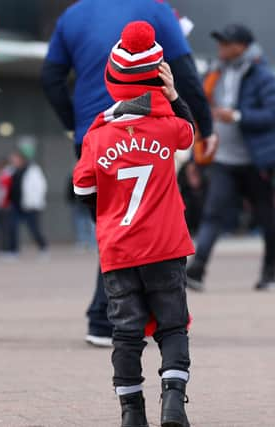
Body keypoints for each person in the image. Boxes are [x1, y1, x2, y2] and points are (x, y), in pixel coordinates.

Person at [42, 0, 216, 347]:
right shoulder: (155, 10)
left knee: (114, 223)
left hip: (94, 132)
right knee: (143, 220)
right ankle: (126, 316)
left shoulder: (73, 14)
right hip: (150, 129)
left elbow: (51, 79)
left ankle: (108, 316)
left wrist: (72, 123)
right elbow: (183, 70)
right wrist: (205, 125)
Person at [73, 22, 195, 427]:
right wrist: (174, 94)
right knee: (172, 326)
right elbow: (190, 132)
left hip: (119, 249)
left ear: (113, 78)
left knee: (125, 333)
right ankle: (174, 402)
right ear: (156, 79)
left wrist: (106, 217)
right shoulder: (167, 127)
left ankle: (131, 413)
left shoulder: (98, 136)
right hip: (165, 245)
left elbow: (82, 188)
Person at [186, 24, 275, 292]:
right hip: (224, 160)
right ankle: (196, 270)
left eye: (225, 42)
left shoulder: (262, 74)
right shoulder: (214, 71)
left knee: (267, 217)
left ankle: (269, 273)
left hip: (258, 160)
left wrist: (239, 116)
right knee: (212, 214)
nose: (220, 47)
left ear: (241, 46)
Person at [7, 142, 49, 257]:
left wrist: (34, 202)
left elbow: (40, 187)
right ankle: (13, 250)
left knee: (33, 229)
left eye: (15, 158)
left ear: (21, 159)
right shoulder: (11, 170)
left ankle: (43, 247)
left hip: (30, 206)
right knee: (12, 227)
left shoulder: (33, 170)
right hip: (16, 205)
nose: (13, 160)